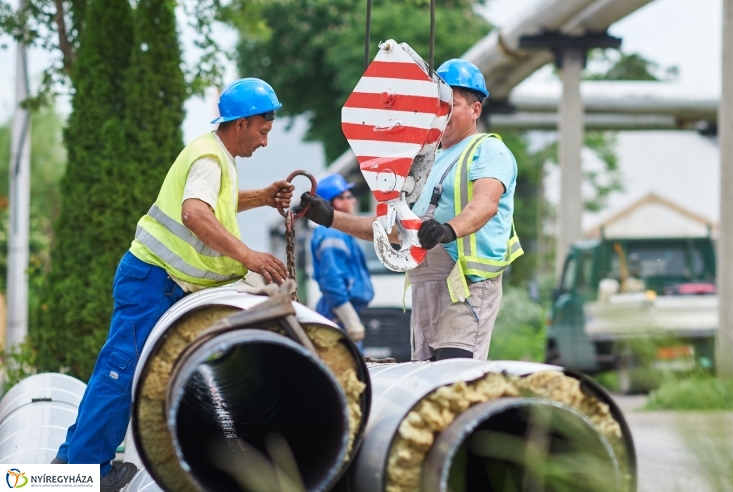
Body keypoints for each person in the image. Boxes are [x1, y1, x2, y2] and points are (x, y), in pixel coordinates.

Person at [52, 77, 294, 492]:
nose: (265, 141)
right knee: (120, 372)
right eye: (263, 130)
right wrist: (249, 257)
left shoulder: (216, 156)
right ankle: (86, 472)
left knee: (118, 369)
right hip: (152, 279)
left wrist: (264, 197)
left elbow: (216, 202)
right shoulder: (209, 158)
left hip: (155, 280)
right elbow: (196, 215)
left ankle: (69, 460)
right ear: (241, 124)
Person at [301, 59, 522, 362]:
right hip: (424, 285)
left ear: (475, 110)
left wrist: (448, 229)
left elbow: (485, 203)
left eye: (452, 105)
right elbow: (392, 229)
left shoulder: (487, 150)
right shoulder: (424, 162)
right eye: (437, 106)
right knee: (425, 379)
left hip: (465, 284)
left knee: (452, 373)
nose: (441, 115)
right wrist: (330, 218)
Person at [309, 174, 373, 346]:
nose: (353, 200)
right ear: (336, 202)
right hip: (337, 316)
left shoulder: (339, 232)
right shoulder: (332, 233)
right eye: (349, 196)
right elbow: (332, 280)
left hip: (338, 314)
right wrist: (349, 319)